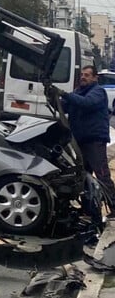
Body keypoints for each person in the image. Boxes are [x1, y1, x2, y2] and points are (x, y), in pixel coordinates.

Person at [51, 65, 115, 214]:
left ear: (94, 78)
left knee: (101, 173)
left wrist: (64, 94)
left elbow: (86, 103)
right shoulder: (78, 92)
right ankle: (88, 207)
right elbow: (64, 107)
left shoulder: (98, 92)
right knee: (82, 176)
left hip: (94, 141)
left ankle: (113, 205)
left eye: (87, 75)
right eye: (82, 75)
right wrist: (53, 97)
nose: (83, 77)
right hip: (80, 141)